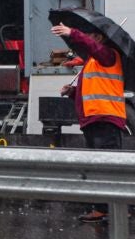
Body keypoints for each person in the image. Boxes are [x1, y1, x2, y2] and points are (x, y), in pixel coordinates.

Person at [51, 19, 126, 223]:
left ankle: (113, 207)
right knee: (99, 167)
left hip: (105, 118)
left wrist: (72, 32)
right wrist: (72, 91)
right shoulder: (93, 61)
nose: (88, 40)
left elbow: (92, 47)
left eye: (91, 36)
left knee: (107, 167)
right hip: (94, 119)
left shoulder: (107, 55)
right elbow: (93, 89)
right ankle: (103, 208)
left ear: (99, 38)